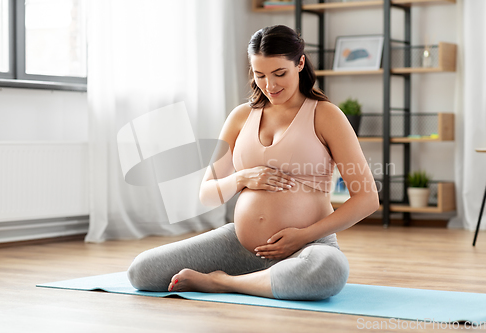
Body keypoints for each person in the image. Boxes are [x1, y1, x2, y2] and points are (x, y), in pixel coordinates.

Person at [127, 25, 379, 301]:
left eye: (279, 73)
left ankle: (223, 282)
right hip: (240, 246)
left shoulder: (326, 115)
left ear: (300, 63)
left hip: (306, 247)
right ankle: (259, 281)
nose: (270, 85)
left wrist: (304, 235)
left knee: (326, 271)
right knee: (142, 272)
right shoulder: (240, 117)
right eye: (260, 75)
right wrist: (241, 178)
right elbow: (207, 194)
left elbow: (367, 198)